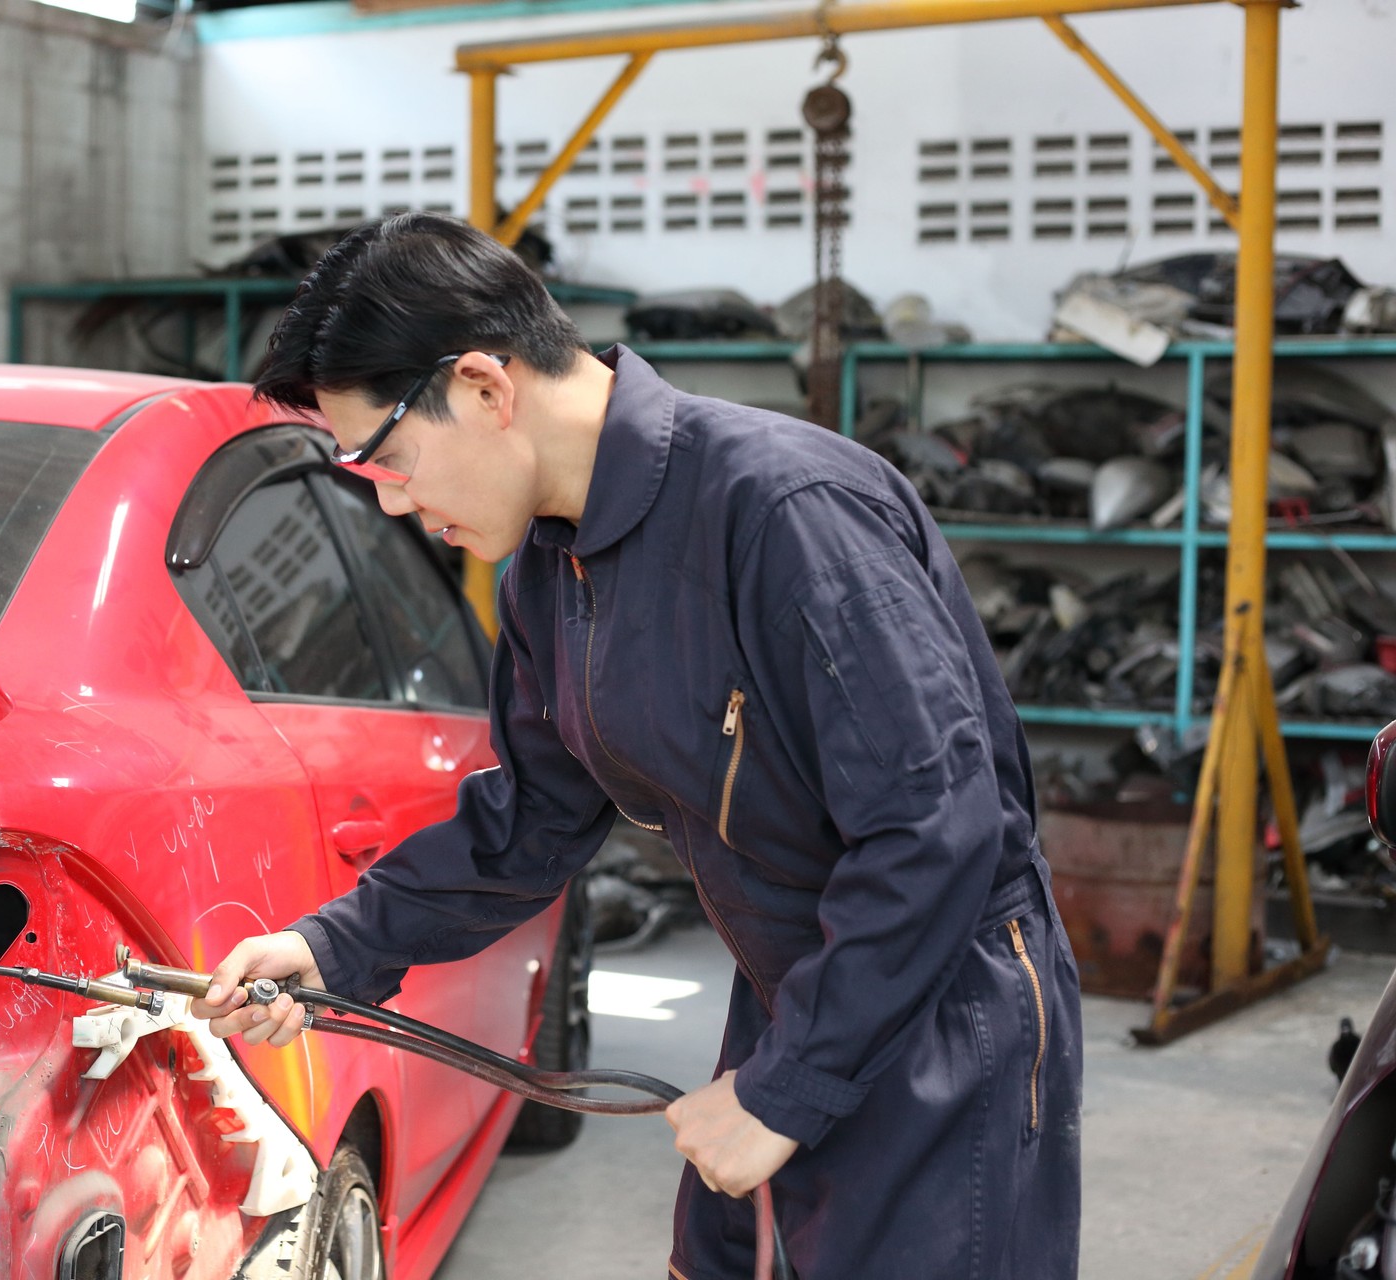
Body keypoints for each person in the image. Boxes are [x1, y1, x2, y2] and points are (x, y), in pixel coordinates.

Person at [190, 212, 1081, 1279]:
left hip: (943, 1008)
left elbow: (934, 828)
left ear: (483, 387)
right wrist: (335, 946)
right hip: (794, 991)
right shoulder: (546, 572)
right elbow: (529, 824)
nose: (393, 504)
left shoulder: (785, 508)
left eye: (387, 458)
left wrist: (788, 1086)